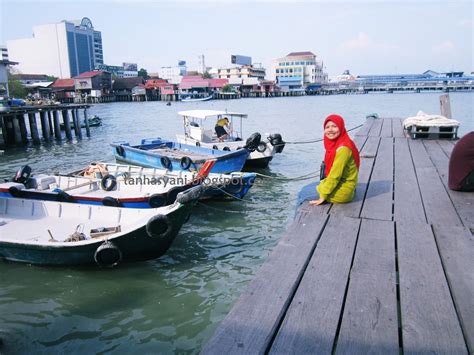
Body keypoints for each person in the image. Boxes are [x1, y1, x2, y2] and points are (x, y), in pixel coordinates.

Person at [310, 114, 360, 205]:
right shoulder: (341, 143)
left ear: (341, 127)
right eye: (327, 127)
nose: (330, 130)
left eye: (334, 126)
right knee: (319, 185)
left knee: (309, 193)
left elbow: (335, 176)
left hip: (344, 192)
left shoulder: (343, 148)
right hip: (347, 185)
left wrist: (323, 196)